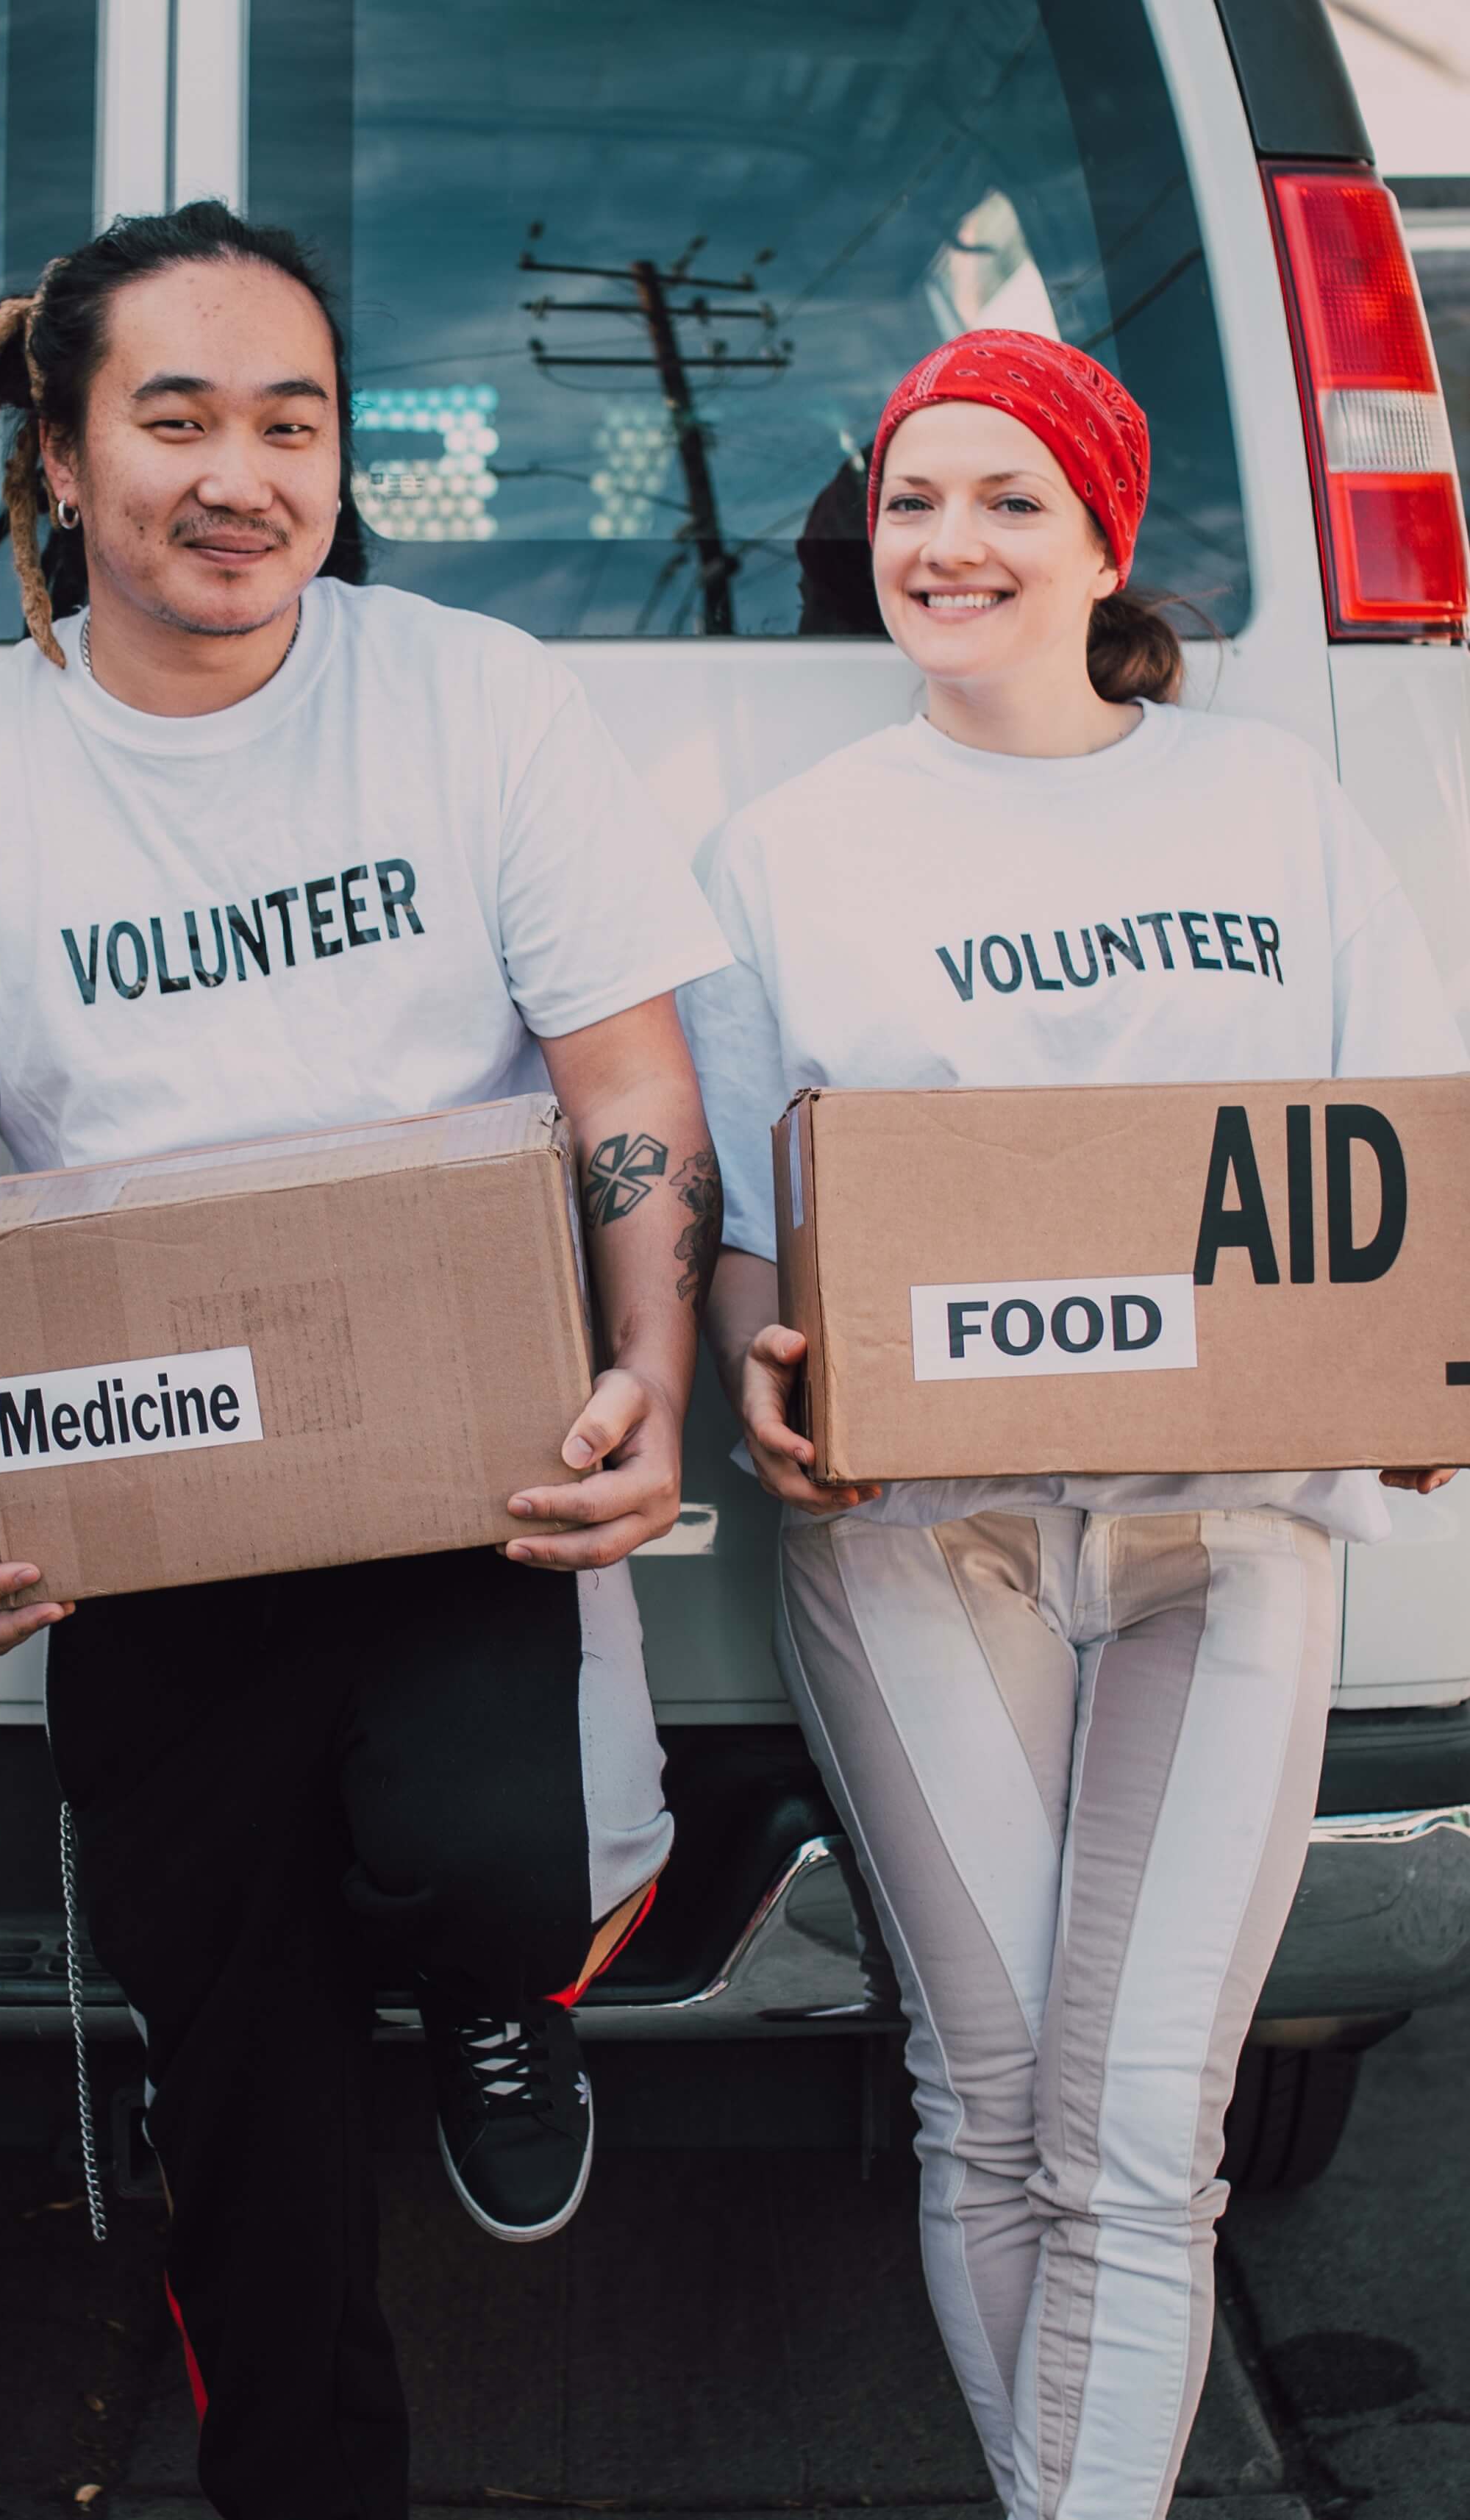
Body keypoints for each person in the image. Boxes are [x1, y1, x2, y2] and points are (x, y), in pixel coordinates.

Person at [0, 201, 730, 2519]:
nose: (242, 474)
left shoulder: (472, 697)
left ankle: (506, 1988)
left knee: (495, 1862)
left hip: (462, 1469)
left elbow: (630, 1082)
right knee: (247, 2110)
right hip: (151, 1502)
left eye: (289, 420)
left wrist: (652, 1379)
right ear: (62, 449)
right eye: (178, 417)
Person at [682, 328, 1461, 2520]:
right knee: (999, 2082)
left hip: (1236, 1527)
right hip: (929, 1532)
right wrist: (761, 1359)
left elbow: (1398, 1157)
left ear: (1105, 536)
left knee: (1137, 2120)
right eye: (914, 502)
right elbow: (760, 1220)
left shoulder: (1269, 810)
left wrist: (1420, 1371)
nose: (953, 543)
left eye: (1011, 499)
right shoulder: (794, 849)